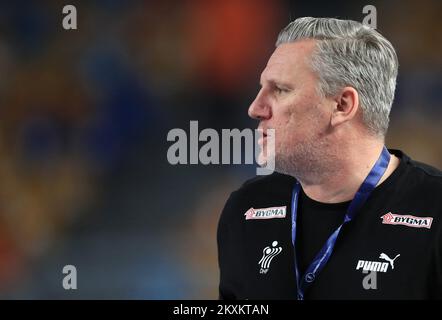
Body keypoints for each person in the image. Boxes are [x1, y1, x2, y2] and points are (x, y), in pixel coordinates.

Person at [217, 17, 442, 300]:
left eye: (281, 90)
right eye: (261, 88)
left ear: (342, 105)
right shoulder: (246, 208)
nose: (255, 108)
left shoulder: (434, 208)